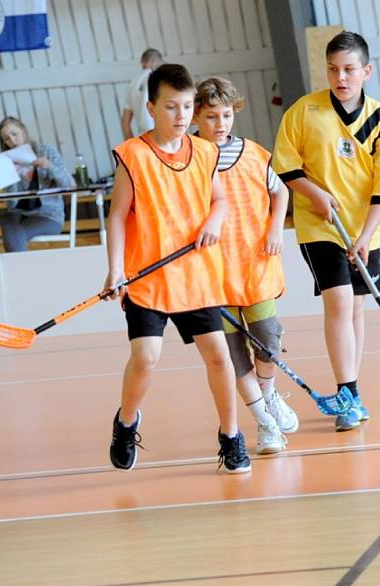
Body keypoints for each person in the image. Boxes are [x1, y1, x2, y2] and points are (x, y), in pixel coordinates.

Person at [104, 63, 250, 474]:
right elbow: (117, 216)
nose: (182, 115)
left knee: (219, 357)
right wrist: (115, 270)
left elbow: (219, 200)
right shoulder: (132, 156)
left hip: (195, 277)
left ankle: (231, 436)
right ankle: (126, 422)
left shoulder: (205, 152)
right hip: (146, 277)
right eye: (171, 107)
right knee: (146, 358)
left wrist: (213, 221)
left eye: (187, 106)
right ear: (151, 108)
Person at [272, 31, 380, 432]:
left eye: (349, 70)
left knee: (358, 306)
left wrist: (366, 235)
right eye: (333, 70)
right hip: (319, 226)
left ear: (366, 71)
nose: (341, 77)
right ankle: (346, 391)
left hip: (364, 230)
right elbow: (285, 165)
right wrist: (313, 194)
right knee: (340, 302)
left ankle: (354, 391)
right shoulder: (304, 111)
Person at [193, 76, 298, 455]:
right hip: (213, 274)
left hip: (256, 264)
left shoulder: (254, 153)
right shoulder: (189, 161)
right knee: (233, 352)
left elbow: (280, 190)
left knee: (267, 339)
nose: (220, 124)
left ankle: (270, 396)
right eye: (210, 117)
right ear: (196, 118)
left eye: (225, 115)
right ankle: (265, 424)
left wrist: (275, 228)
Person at [0, 117, 75, 252]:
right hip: (18, 214)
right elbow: (10, 204)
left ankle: (18, 269)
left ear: (24, 131)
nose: (12, 141)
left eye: (15, 134)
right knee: (7, 219)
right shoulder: (5, 161)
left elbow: (69, 185)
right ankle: (21, 269)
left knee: (14, 236)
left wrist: (49, 166)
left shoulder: (47, 152)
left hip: (48, 215)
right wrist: (13, 177)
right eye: (6, 138)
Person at [121, 48, 163, 139]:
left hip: (144, 138)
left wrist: (130, 145)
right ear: (159, 62)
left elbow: (125, 122)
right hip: (162, 137)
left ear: (142, 62)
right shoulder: (162, 79)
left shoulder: (132, 84)